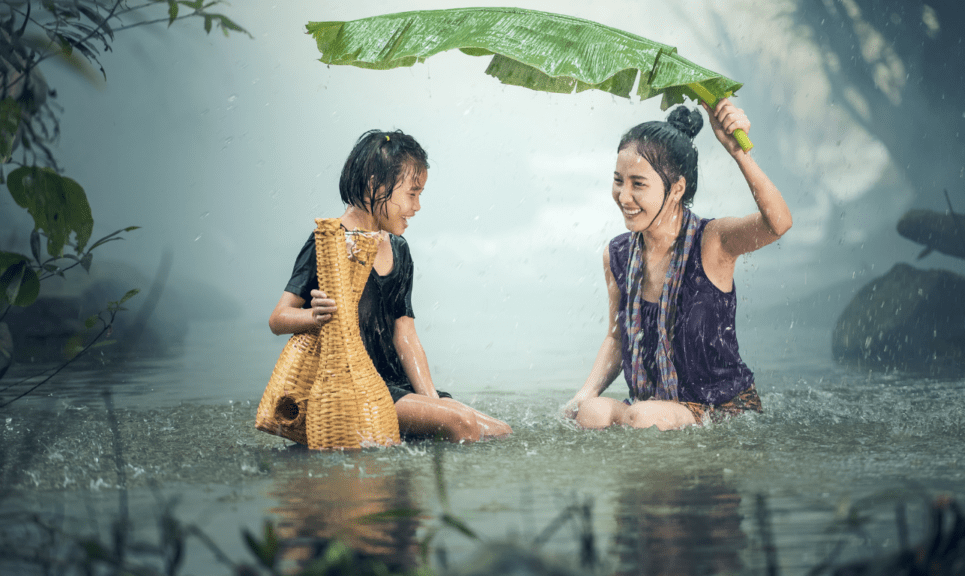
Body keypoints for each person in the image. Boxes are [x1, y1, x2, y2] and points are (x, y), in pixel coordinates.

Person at [269, 129, 512, 443]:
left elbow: (405, 334)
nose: (418, 206)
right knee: (462, 423)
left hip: (397, 385)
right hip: (356, 389)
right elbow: (278, 318)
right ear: (375, 185)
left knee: (498, 431)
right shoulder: (329, 243)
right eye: (412, 193)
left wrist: (432, 400)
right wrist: (312, 317)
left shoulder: (399, 249)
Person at [563, 99, 792, 431]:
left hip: (722, 408)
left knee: (642, 416)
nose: (623, 196)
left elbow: (778, 223)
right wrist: (584, 393)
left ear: (676, 189)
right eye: (618, 180)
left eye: (637, 184)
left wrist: (737, 151)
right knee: (592, 412)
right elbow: (617, 337)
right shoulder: (618, 254)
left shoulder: (713, 242)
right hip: (652, 407)